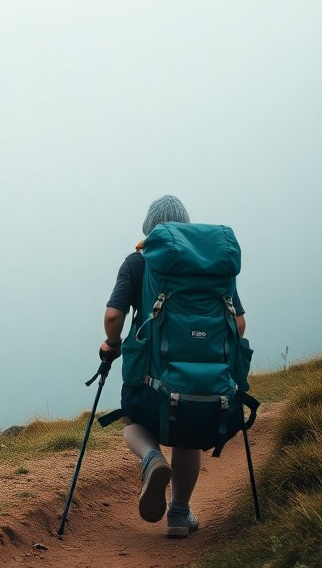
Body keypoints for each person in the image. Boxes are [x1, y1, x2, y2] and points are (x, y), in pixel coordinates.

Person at [99, 195, 246, 538]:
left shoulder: (137, 263)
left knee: (132, 421)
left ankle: (151, 458)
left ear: (149, 230)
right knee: (188, 437)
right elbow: (238, 324)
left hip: (151, 385)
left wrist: (114, 343)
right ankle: (179, 514)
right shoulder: (214, 266)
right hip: (207, 386)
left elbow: (113, 316)